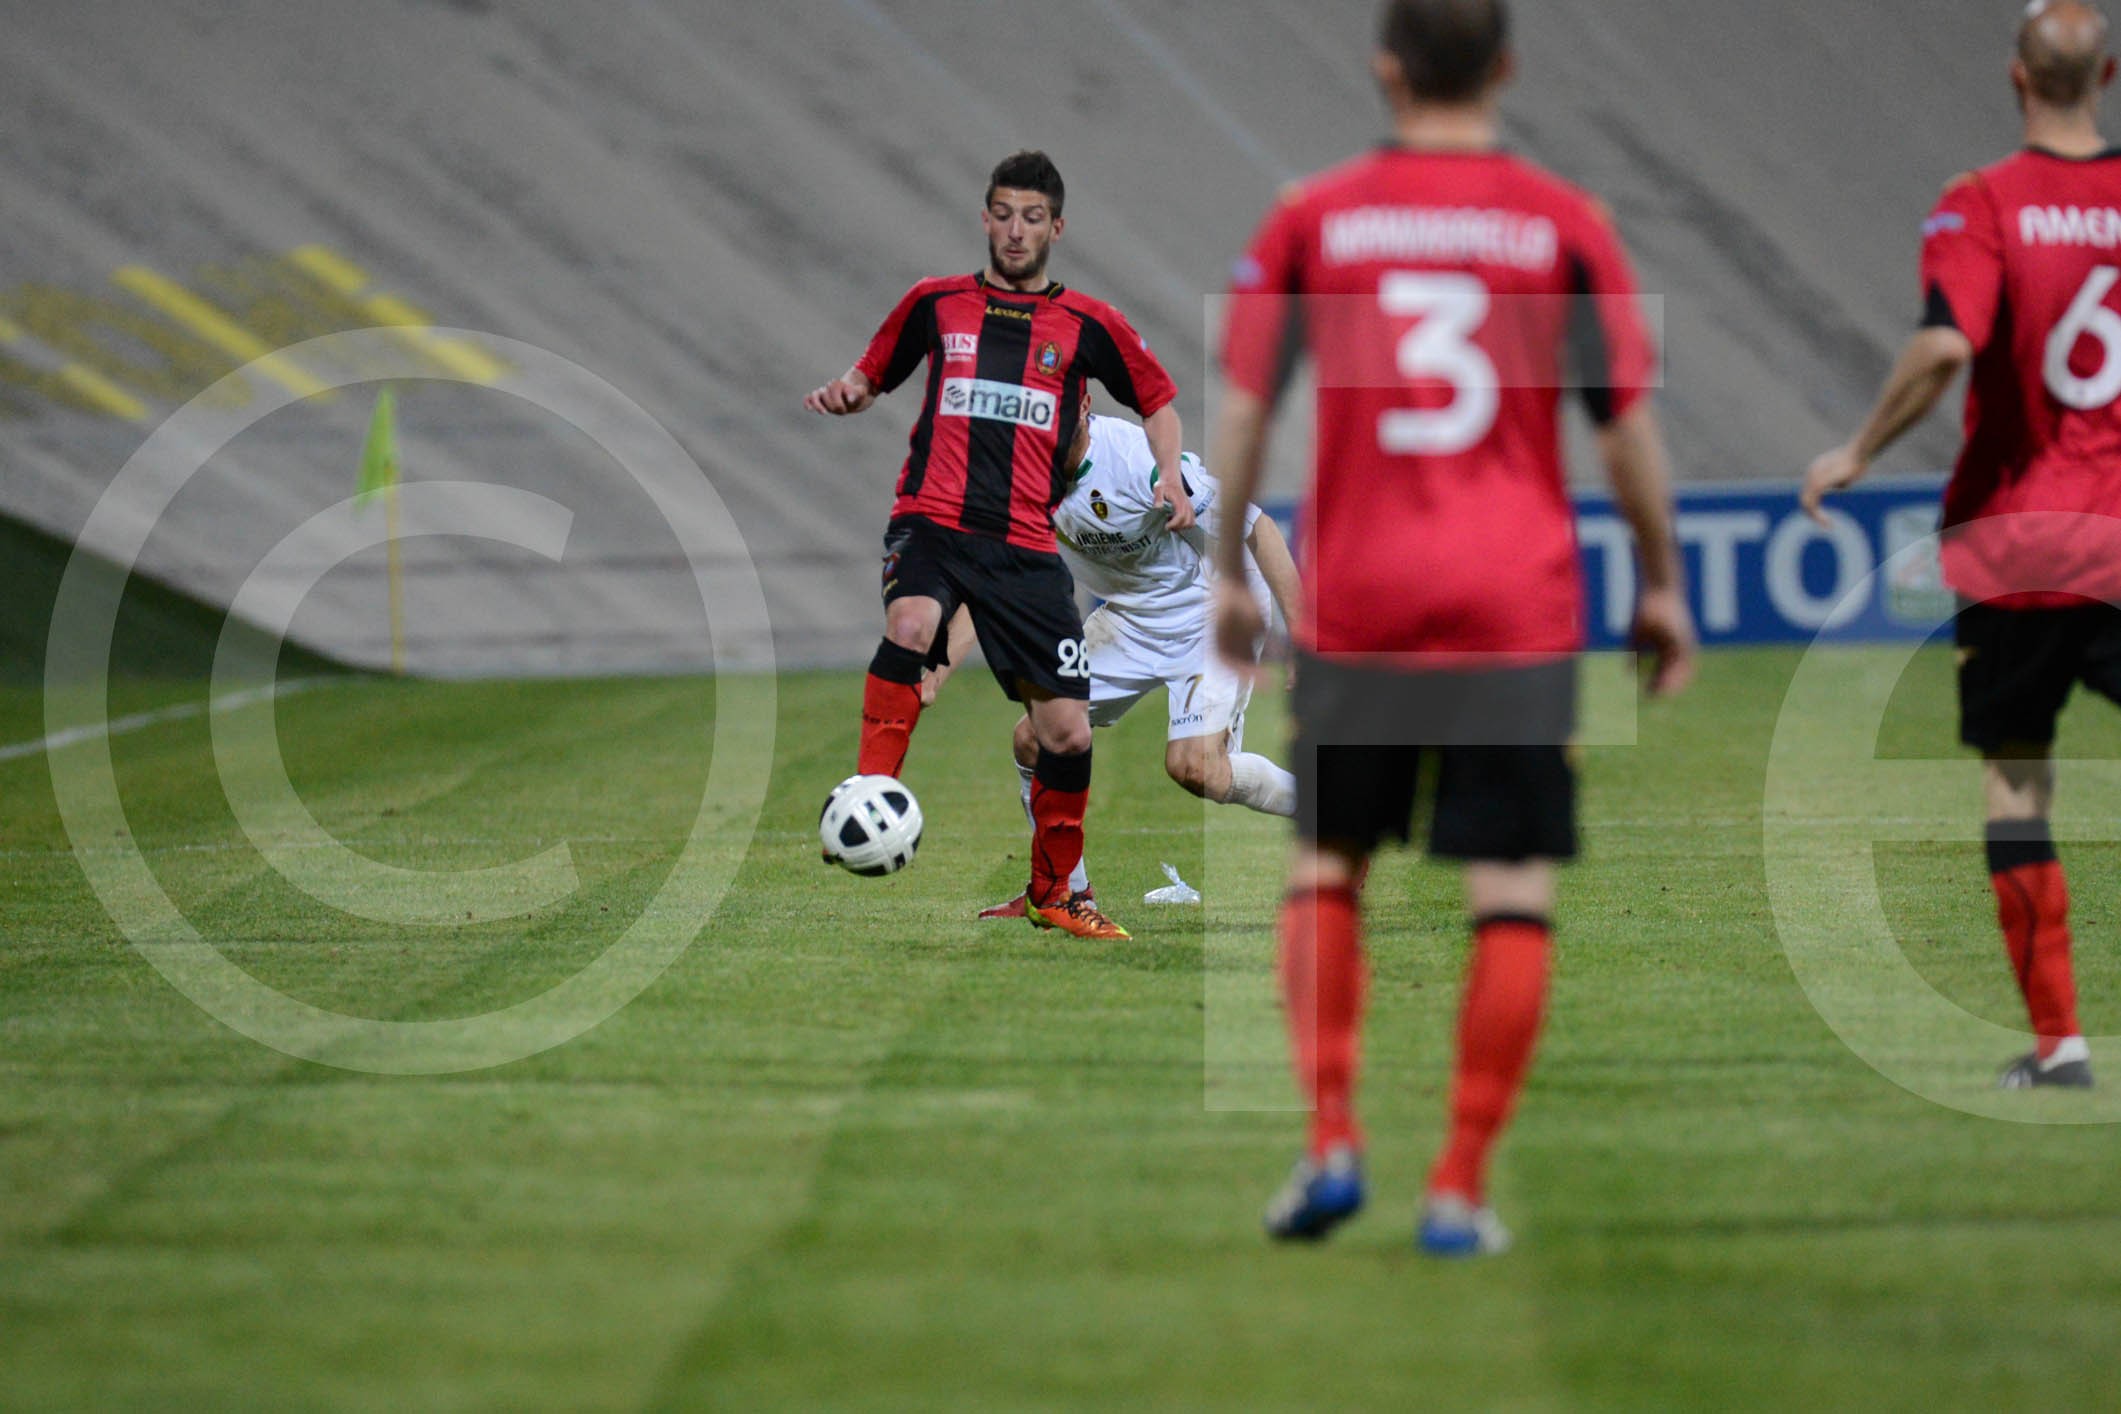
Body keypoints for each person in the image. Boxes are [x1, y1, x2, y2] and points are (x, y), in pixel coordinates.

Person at [1211, 0, 1695, 1255]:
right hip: (1515, 601)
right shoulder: (1562, 222)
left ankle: (1329, 1140)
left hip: (1363, 594)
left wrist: (1226, 569)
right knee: (1510, 888)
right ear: (1508, 67)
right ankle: (1458, 1185)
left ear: (1385, 69)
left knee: (1328, 869)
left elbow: (1245, 407)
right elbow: (1625, 425)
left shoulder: (1315, 216)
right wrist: (1658, 578)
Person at [1804, 0, 2121, 1091]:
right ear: (2108, 75)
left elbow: (1947, 343)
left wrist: (1856, 449)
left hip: (2023, 546)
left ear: (2015, 78)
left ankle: (2062, 1044)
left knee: (2019, 782)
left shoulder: (1984, 202)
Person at [806, 150, 1194, 941]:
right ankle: (869, 790)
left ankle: (1055, 893)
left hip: (1022, 545)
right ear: (984, 220)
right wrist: (849, 391)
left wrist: (1171, 479)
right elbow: (871, 372)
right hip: (932, 518)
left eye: (1031, 217)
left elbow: (1156, 399)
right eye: (1002, 214)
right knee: (910, 626)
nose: (1015, 231)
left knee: (1065, 735)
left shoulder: (1086, 324)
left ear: (1055, 227)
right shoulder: (934, 303)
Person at [946, 400, 1304, 920]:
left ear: (1084, 405)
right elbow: (992, 578)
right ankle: (1064, 892)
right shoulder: (1019, 476)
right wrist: (928, 672)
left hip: (1213, 607)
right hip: (1133, 619)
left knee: (1195, 768)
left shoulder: (1140, 460)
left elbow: (1258, 528)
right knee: (1032, 738)